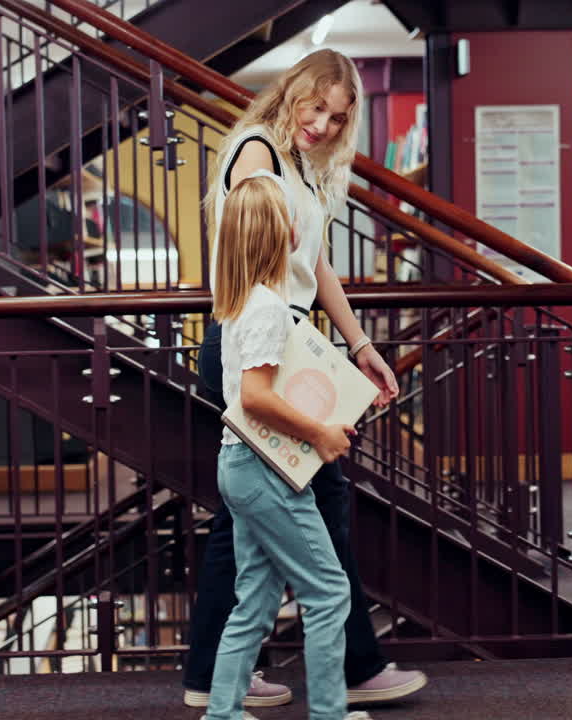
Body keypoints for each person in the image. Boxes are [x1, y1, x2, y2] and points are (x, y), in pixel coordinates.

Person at [183, 48, 427, 710]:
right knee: (310, 504)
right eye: (315, 106)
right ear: (292, 92)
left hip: (286, 339)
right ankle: (344, 672)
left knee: (254, 525)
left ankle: (220, 681)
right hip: (260, 341)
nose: (322, 124)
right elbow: (256, 246)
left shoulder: (301, 165)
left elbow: (315, 266)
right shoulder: (258, 150)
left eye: (337, 116)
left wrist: (359, 345)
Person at [204, 173, 368, 720]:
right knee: (329, 591)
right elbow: (255, 398)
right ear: (283, 232)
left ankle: (222, 712)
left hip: (238, 465)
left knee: (254, 599)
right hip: (263, 469)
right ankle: (329, 714)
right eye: (293, 214)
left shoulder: (239, 305)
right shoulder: (270, 308)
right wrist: (320, 432)